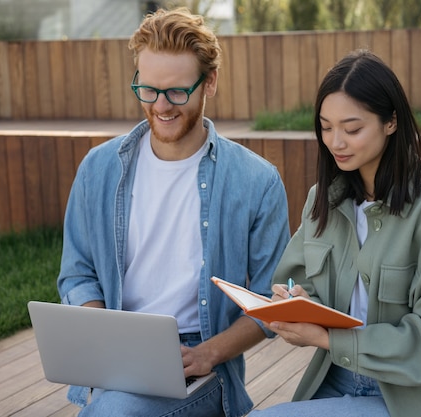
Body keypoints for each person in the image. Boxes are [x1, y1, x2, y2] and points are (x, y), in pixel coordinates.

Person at [56, 7, 290, 417]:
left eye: (177, 92)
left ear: (210, 83)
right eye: (148, 90)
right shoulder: (98, 168)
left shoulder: (257, 181)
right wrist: (108, 341)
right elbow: (78, 274)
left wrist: (208, 353)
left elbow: (272, 302)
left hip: (200, 358)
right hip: (119, 347)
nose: (161, 106)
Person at [250, 49, 421, 417]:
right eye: (326, 127)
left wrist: (327, 338)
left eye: (352, 129)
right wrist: (291, 300)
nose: (335, 142)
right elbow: (297, 279)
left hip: (410, 398)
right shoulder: (323, 199)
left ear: (391, 122)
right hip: (336, 379)